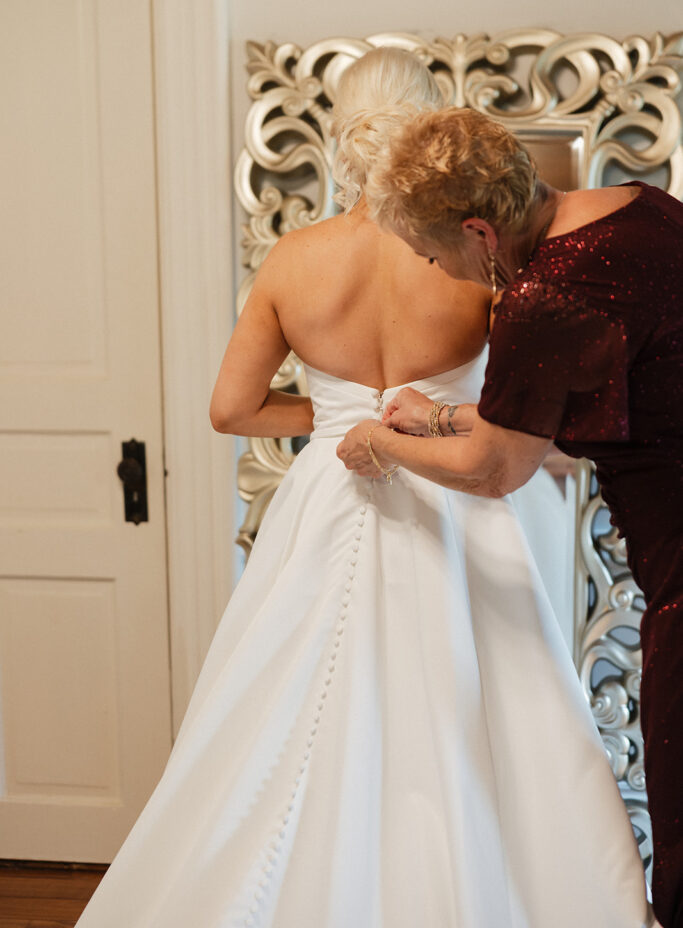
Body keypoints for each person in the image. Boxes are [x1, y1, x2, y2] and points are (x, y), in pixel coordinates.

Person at [74, 51, 649, 928]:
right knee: (490, 712)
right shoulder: (473, 254)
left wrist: (345, 413)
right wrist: (425, 414)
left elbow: (231, 411)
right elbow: (539, 433)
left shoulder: (293, 261)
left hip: (331, 498)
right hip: (469, 500)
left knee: (292, 708)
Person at [338, 102, 682, 928]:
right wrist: (436, 419)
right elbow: (565, 426)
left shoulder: (543, 294)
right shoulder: (641, 207)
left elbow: (497, 469)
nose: (435, 271)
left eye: (431, 253)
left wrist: (378, 443)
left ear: (477, 233)